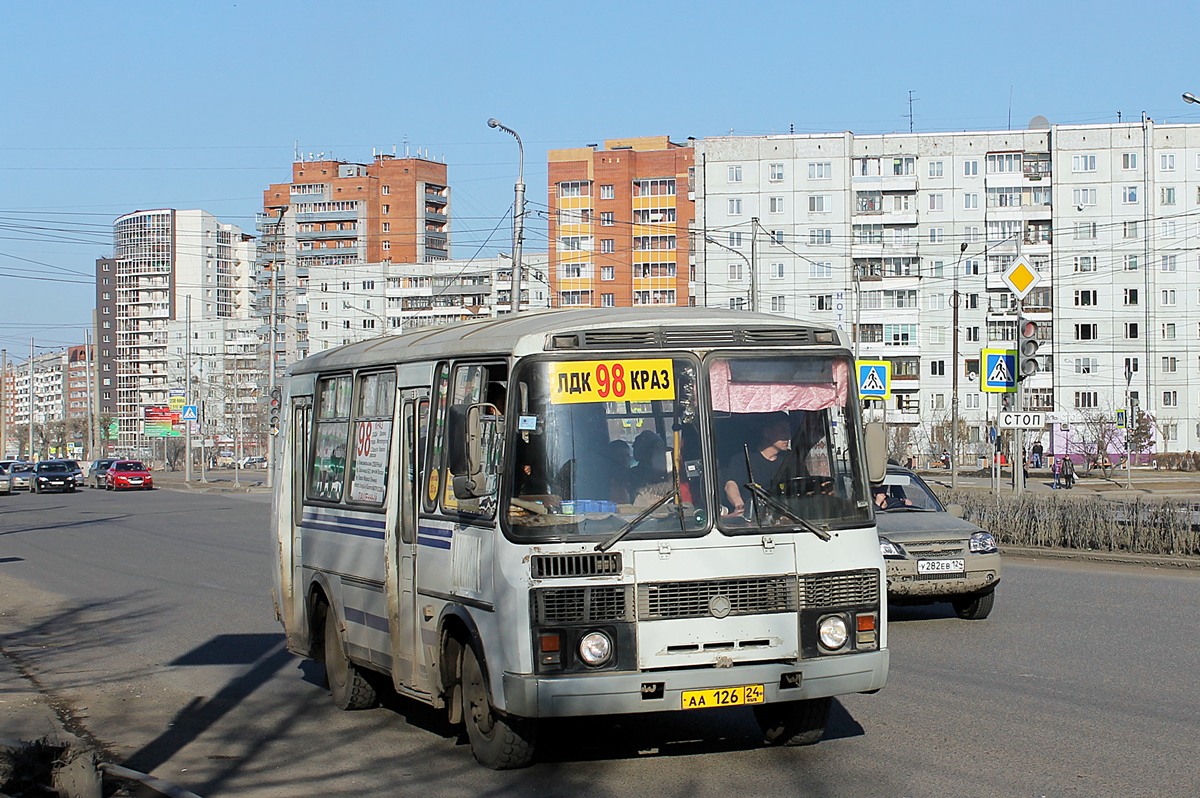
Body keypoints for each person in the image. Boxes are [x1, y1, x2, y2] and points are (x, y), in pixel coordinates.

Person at [722, 415, 792, 517]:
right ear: (767, 432)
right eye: (783, 431)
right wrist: (739, 505)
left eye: (789, 431)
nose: (788, 436)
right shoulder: (743, 459)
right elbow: (731, 485)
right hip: (753, 521)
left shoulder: (791, 460)